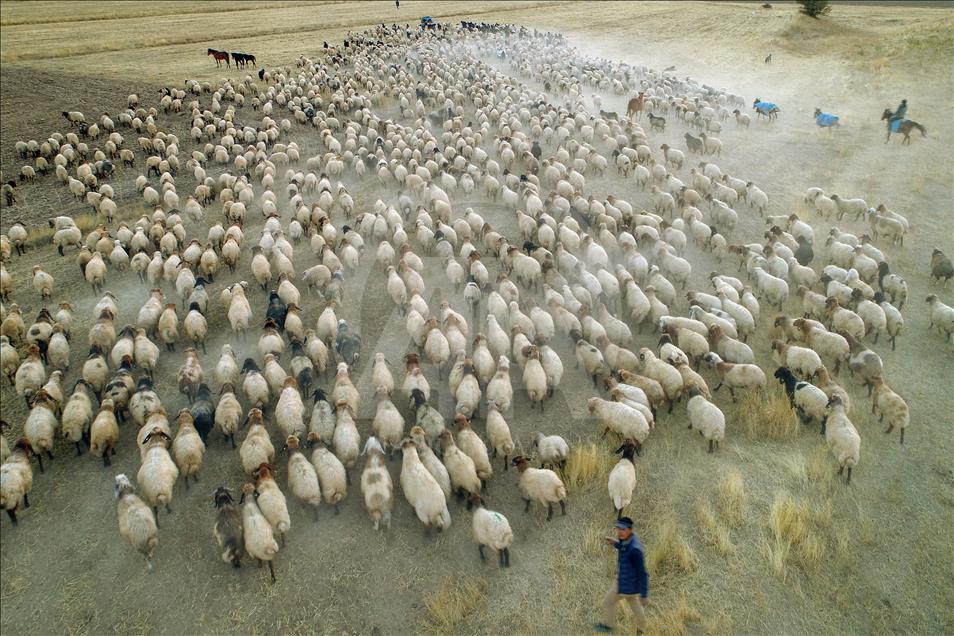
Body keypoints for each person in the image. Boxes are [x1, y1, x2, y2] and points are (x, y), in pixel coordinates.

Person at [594, 517, 649, 633]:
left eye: (623, 529)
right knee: (634, 604)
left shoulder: (635, 550)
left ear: (630, 529)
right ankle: (642, 628)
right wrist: (615, 543)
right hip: (632, 585)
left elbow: (643, 573)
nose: (620, 532)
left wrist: (644, 594)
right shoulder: (630, 539)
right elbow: (624, 547)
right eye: (618, 529)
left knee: (609, 601)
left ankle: (609, 626)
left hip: (624, 584)